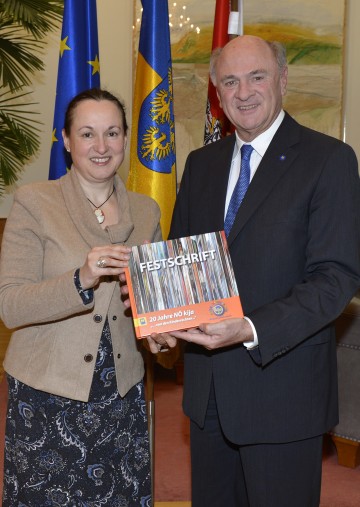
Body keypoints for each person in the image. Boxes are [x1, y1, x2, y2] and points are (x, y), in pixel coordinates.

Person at [148, 35, 360, 506]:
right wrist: (163, 324)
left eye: (257, 77)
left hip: (283, 395)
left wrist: (248, 327)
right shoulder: (201, 165)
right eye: (230, 82)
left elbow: (336, 278)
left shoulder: (329, 161)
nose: (244, 92)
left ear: (283, 80)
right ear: (217, 95)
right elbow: (182, 262)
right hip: (207, 397)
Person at [0, 88, 161, 506]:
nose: (101, 146)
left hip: (120, 396)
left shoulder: (147, 211)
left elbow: (150, 303)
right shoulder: (35, 202)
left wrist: (162, 334)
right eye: (87, 134)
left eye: (112, 133)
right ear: (67, 141)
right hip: (45, 396)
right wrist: (80, 278)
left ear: (126, 139)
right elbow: (11, 305)